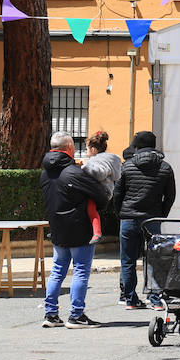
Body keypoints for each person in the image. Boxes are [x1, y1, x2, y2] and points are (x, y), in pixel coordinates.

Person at [40, 132, 110, 328]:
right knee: (80, 271)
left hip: (57, 228)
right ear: (69, 148)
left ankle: (51, 314)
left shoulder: (45, 173)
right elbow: (102, 196)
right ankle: (76, 315)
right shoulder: (75, 173)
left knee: (57, 270)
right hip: (79, 227)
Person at [112, 130, 176, 309]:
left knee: (127, 260)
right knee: (154, 259)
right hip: (152, 219)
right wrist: (161, 215)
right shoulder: (165, 167)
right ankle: (156, 299)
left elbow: (117, 194)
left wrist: (121, 213)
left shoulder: (127, 166)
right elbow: (170, 196)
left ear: (136, 147)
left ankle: (130, 299)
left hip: (128, 218)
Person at [82, 130, 122, 244]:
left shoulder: (96, 160)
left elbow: (100, 173)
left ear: (93, 149)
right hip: (106, 191)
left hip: (98, 191)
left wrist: (85, 167)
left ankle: (97, 233)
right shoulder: (111, 160)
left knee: (90, 208)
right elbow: (117, 176)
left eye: (87, 149)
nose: (86, 152)